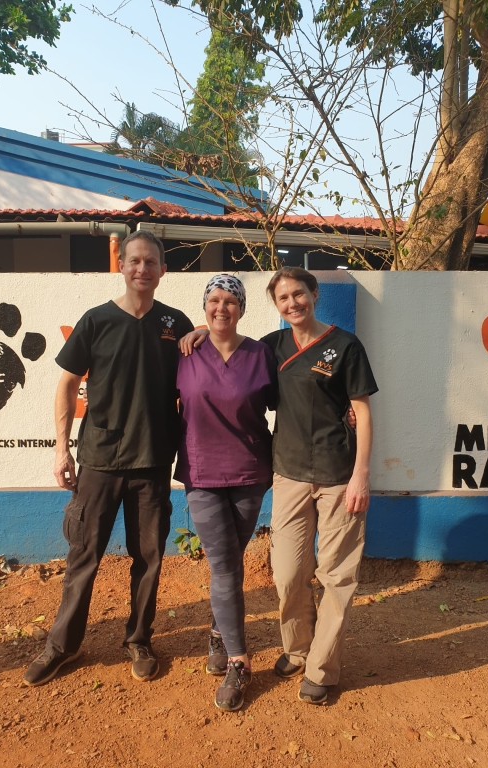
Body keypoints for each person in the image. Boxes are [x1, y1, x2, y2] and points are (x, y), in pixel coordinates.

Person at [23, 230, 198, 687]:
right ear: (121, 266)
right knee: (84, 556)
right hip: (99, 460)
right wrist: (62, 449)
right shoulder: (96, 321)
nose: (142, 269)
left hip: (153, 461)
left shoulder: (175, 324)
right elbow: (65, 384)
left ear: (163, 269)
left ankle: (139, 639)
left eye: (151, 262)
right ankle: (62, 646)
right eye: (134, 260)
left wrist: (201, 332)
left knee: (149, 558)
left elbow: (205, 372)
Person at [261, 266, 378, 705]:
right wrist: (195, 334)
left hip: (337, 476)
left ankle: (322, 668)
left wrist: (361, 475)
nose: (292, 303)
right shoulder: (271, 348)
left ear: (314, 294)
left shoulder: (346, 345)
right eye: (283, 298)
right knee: (288, 573)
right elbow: (227, 356)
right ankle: (296, 647)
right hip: (289, 473)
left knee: (336, 575)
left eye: (299, 294)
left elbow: (361, 413)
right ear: (276, 305)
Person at [174, 274, 277, 711]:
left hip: (251, 472)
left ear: (242, 308)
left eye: (230, 300)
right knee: (223, 563)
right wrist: (198, 333)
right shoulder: (183, 353)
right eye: (214, 300)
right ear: (204, 307)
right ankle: (239, 660)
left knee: (230, 562)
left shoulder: (261, 354)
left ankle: (218, 632)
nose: (221, 307)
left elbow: (292, 401)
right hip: (202, 472)